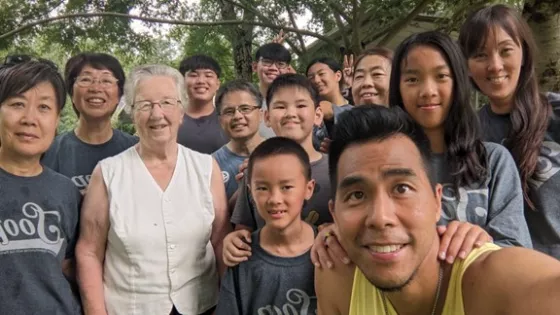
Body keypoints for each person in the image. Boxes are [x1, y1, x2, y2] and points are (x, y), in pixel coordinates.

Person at [310, 31, 532, 270]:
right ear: (398, 88)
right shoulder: (376, 162)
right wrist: (336, 234)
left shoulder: (492, 161)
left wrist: (482, 243)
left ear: (459, 83)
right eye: (413, 79)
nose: (427, 90)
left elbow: (517, 251)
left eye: (441, 76)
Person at [315, 105, 560, 315]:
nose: (380, 218)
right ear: (334, 214)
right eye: (357, 195)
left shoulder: (493, 281)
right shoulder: (335, 275)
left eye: (401, 188)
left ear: (437, 201)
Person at [75, 64, 230, 315]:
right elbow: (89, 251)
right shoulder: (108, 173)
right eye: (145, 105)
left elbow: (221, 239)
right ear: (133, 113)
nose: (157, 114)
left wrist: (229, 306)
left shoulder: (205, 167)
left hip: (203, 306)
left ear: (181, 111)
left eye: (167, 102)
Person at [459, 4, 560, 259]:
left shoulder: (556, 114)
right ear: (467, 66)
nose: (494, 65)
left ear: (523, 53)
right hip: (509, 275)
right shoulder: (467, 134)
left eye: (505, 51)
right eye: (480, 55)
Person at [0, 57, 82, 314]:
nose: (30, 118)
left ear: (57, 120)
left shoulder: (65, 191)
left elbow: (68, 265)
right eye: (17, 104)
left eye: (44, 107)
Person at [223, 74, 331, 266]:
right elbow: (243, 229)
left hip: (327, 275)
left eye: (300, 105)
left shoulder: (336, 170)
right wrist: (233, 242)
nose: (290, 113)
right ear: (267, 117)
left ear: (317, 115)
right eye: (280, 106)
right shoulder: (254, 169)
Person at [215, 137, 317, 315]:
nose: (275, 200)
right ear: (250, 191)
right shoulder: (241, 257)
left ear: (308, 189)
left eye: (286, 187)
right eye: (262, 188)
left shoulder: (328, 251)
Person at [41, 53, 137, 194]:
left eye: (106, 80)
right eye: (86, 79)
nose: (96, 88)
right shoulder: (49, 151)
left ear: (119, 95)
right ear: (72, 94)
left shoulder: (137, 149)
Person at [213, 79, 264, 203]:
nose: (237, 116)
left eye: (245, 108)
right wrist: (244, 190)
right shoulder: (212, 165)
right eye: (229, 111)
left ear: (261, 114)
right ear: (220, 120)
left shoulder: (281, 153)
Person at [176, 54, 228, 154]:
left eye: (208, 75)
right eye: (193, 75)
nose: (201, 81)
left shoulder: (228, 119)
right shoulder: (169, 119)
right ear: (182, 82)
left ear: (217, 84)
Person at [252, 43, 294, 139]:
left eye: (280, 64)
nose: (273, 68)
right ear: (255, 66)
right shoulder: (246, 102)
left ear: (288, 70)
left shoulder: (298, 102)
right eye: (267, 62)